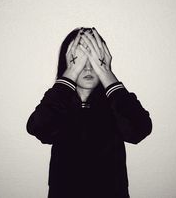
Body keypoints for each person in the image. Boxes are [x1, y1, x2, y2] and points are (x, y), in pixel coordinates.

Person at [26, 27, 152, 198]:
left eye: (92, 59)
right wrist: (69, 73)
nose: (87, 68)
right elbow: (40, 128)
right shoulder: (58, 104)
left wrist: (106, 73)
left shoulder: (116, 104)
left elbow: (139, 130)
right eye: (79, 59)